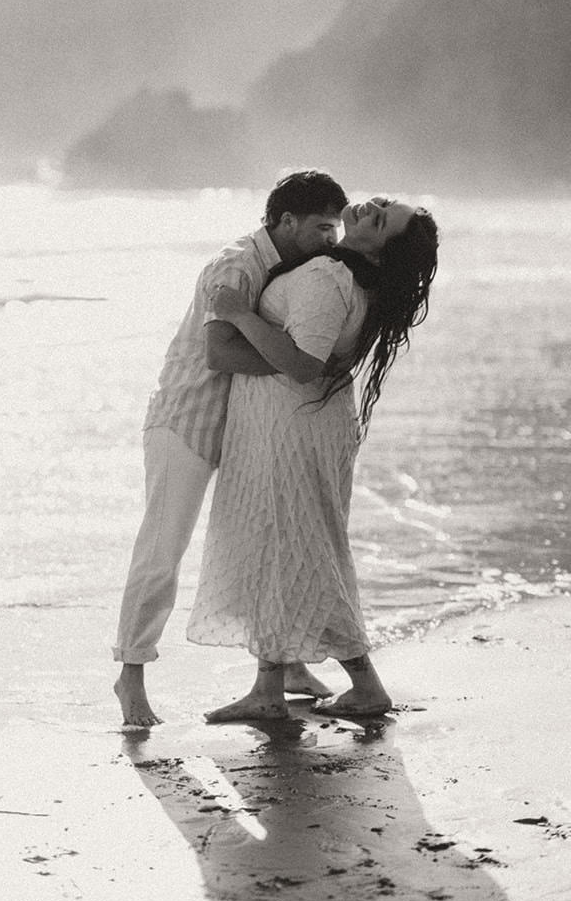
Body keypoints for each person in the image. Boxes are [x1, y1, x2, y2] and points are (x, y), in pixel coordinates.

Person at [186, 196, 439, 722]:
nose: (373, 207)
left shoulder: (328, 277)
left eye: (382, 219)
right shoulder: (347, 277)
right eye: (384, 203)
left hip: (289, 423)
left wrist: (237, 314)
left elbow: (303, 364)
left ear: (382, 248)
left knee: (295, 542)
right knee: (285, 543)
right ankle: (269, 688)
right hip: (293, 423)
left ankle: (358, 685)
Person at [113, 170, 350, 728]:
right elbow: (220, 353)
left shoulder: (292, 267)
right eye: (321, 227)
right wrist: (304, 365)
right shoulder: (237, 265)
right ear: (285, 221)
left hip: (244, 429)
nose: (331, 239)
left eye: (336, 228)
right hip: (188, 421)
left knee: (271, 541)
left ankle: (285, 667)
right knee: (161, 553)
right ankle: (130, 677)